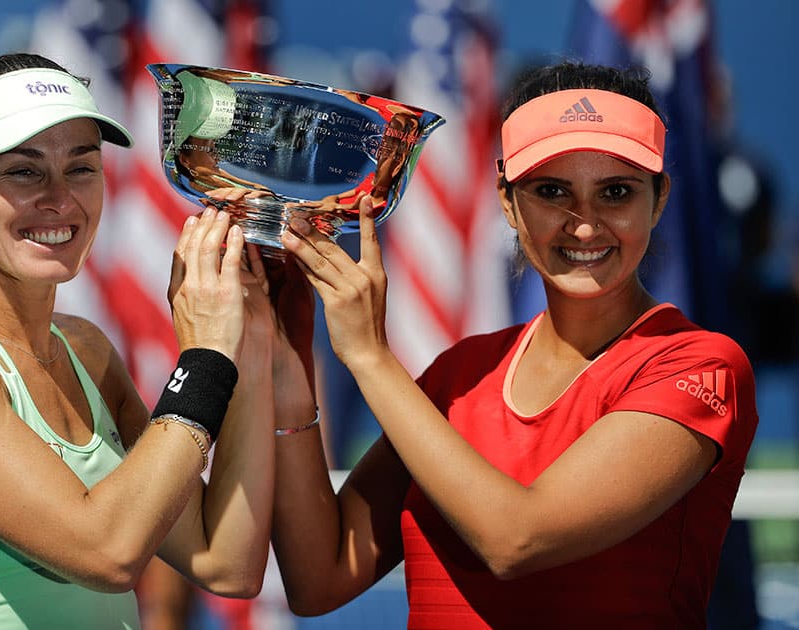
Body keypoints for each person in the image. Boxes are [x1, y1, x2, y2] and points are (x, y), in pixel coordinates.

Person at [267, 61, 759, 628]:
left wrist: (370, 357)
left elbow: (516, 539)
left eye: (616, 192)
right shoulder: (460, 373)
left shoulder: (701, 366)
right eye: (552, 191)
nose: (584, 226)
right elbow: (318, 577)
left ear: (659, 199)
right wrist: (292, 365)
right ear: (507, 201)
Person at [0, 52, 277, 629]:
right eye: (23, 171)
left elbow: (227, 564)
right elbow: (106, 554)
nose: (60, 198)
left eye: (81, 168)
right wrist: (204, 361)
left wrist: (244, 351)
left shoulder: (88, 350)